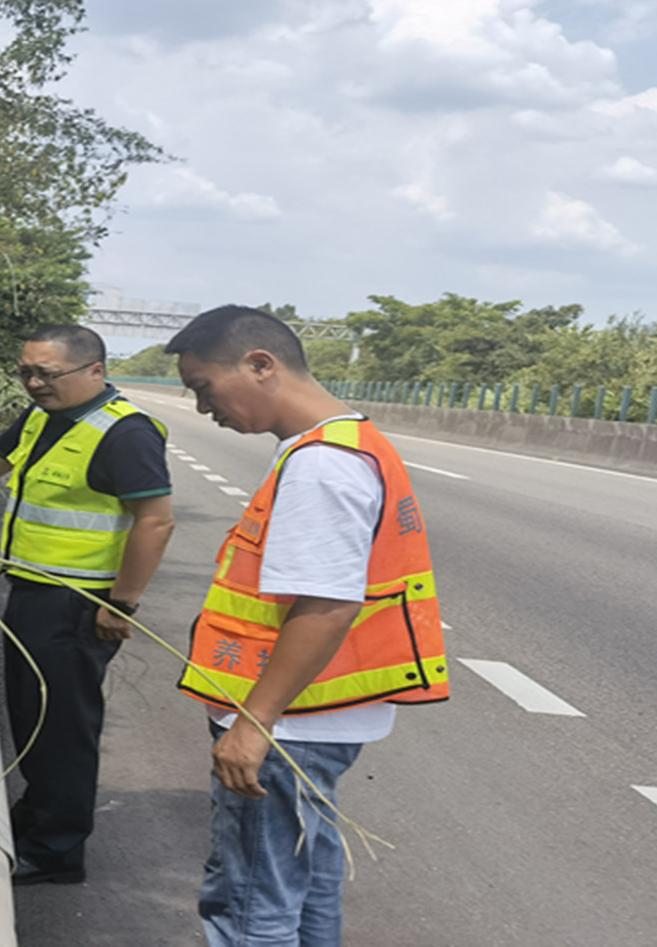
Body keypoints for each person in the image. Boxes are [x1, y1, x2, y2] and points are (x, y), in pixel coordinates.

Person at [162, 305, 447, 947]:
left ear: (260, 365)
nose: (203, 407)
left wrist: (253, 726)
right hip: (316, 716)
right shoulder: (350, 442)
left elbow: (327, 605)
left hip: (290, 723)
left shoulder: (322, 464)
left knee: (251, 905)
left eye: (204, 386)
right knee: (307, 885)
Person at [0, 324, 175, 885]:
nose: (34, 383)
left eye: (48, 374)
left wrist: (122, 604)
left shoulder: (124, 433)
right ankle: (38, 819)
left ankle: (58, 849)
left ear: (94, 371)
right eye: (26, 372)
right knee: (33, 717)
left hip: (77, 601)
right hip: (34, 589)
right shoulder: (41, 417)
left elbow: (155, 520)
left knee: (61, 727)